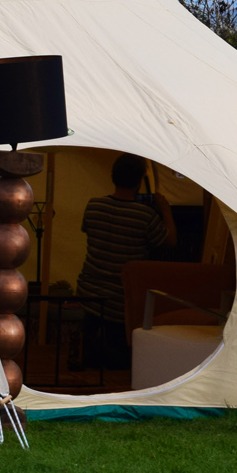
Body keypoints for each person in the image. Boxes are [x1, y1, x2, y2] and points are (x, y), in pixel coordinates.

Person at [75, 154, 171, 368]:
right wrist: (165, 210)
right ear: (138, 182)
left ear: (113, 176)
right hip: (122, 301)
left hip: (89, 294)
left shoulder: (94, 206)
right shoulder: (145, 216)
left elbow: (89, 232)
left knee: (92, 354)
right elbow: (170, 241)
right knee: (118, 359)